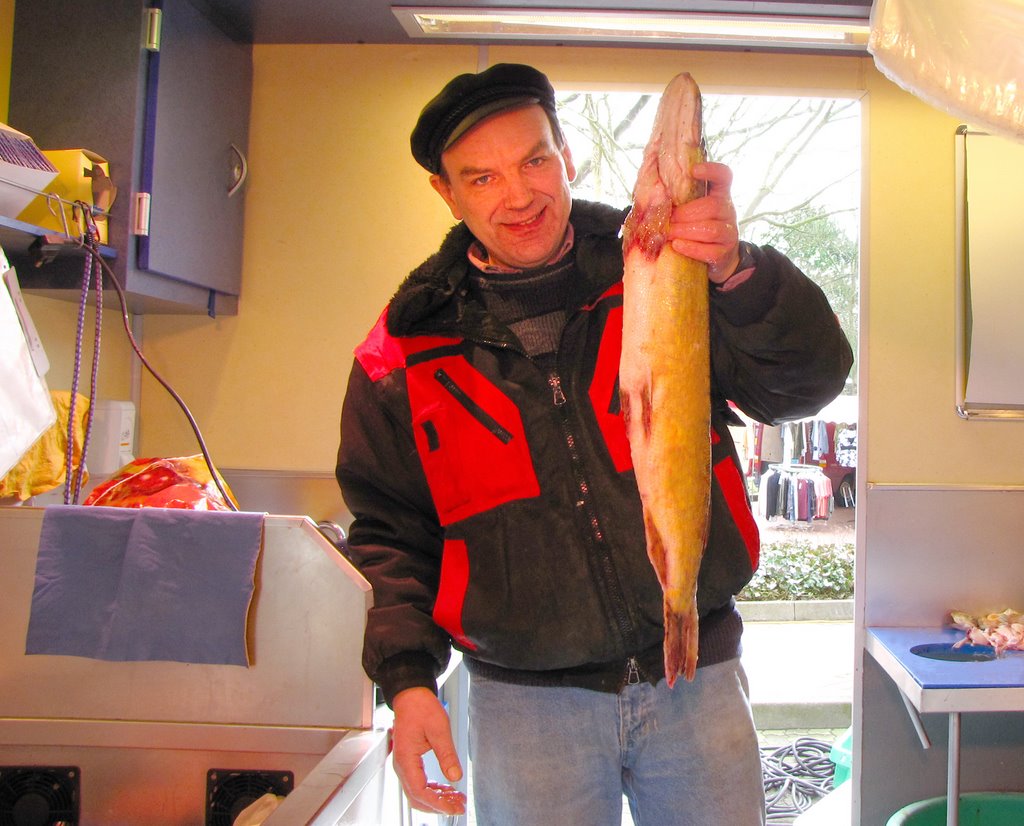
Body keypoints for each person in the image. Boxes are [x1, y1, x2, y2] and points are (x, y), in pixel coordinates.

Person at [336, 63, 853, 826]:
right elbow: (389, 535)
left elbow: (805, 383)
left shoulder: (667, 264)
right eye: (481, 178)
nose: (518, 196)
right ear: (446, 193)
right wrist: (408, 681)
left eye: (534, 160)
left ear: (568, 155)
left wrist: (739, 269)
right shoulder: (402, 350)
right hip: (523, 708)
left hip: (697, 684)